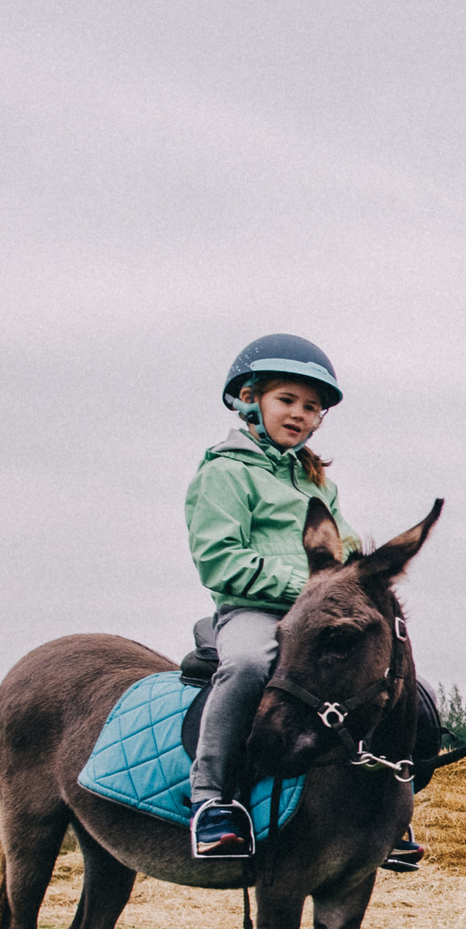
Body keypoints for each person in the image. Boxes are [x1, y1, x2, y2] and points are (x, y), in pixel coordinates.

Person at [184, 334, 355, 860]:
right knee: (247, 666)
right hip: (253, 611)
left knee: (381, 668)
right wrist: (305, 589)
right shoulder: (224, 473)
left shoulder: (316, 483)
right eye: (287, 400)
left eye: (312, 407)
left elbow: (342, 547)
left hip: (316, 615)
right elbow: (220, 560)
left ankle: (376, 807)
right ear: (248, 400)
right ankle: (210, 802)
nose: (300, 415)